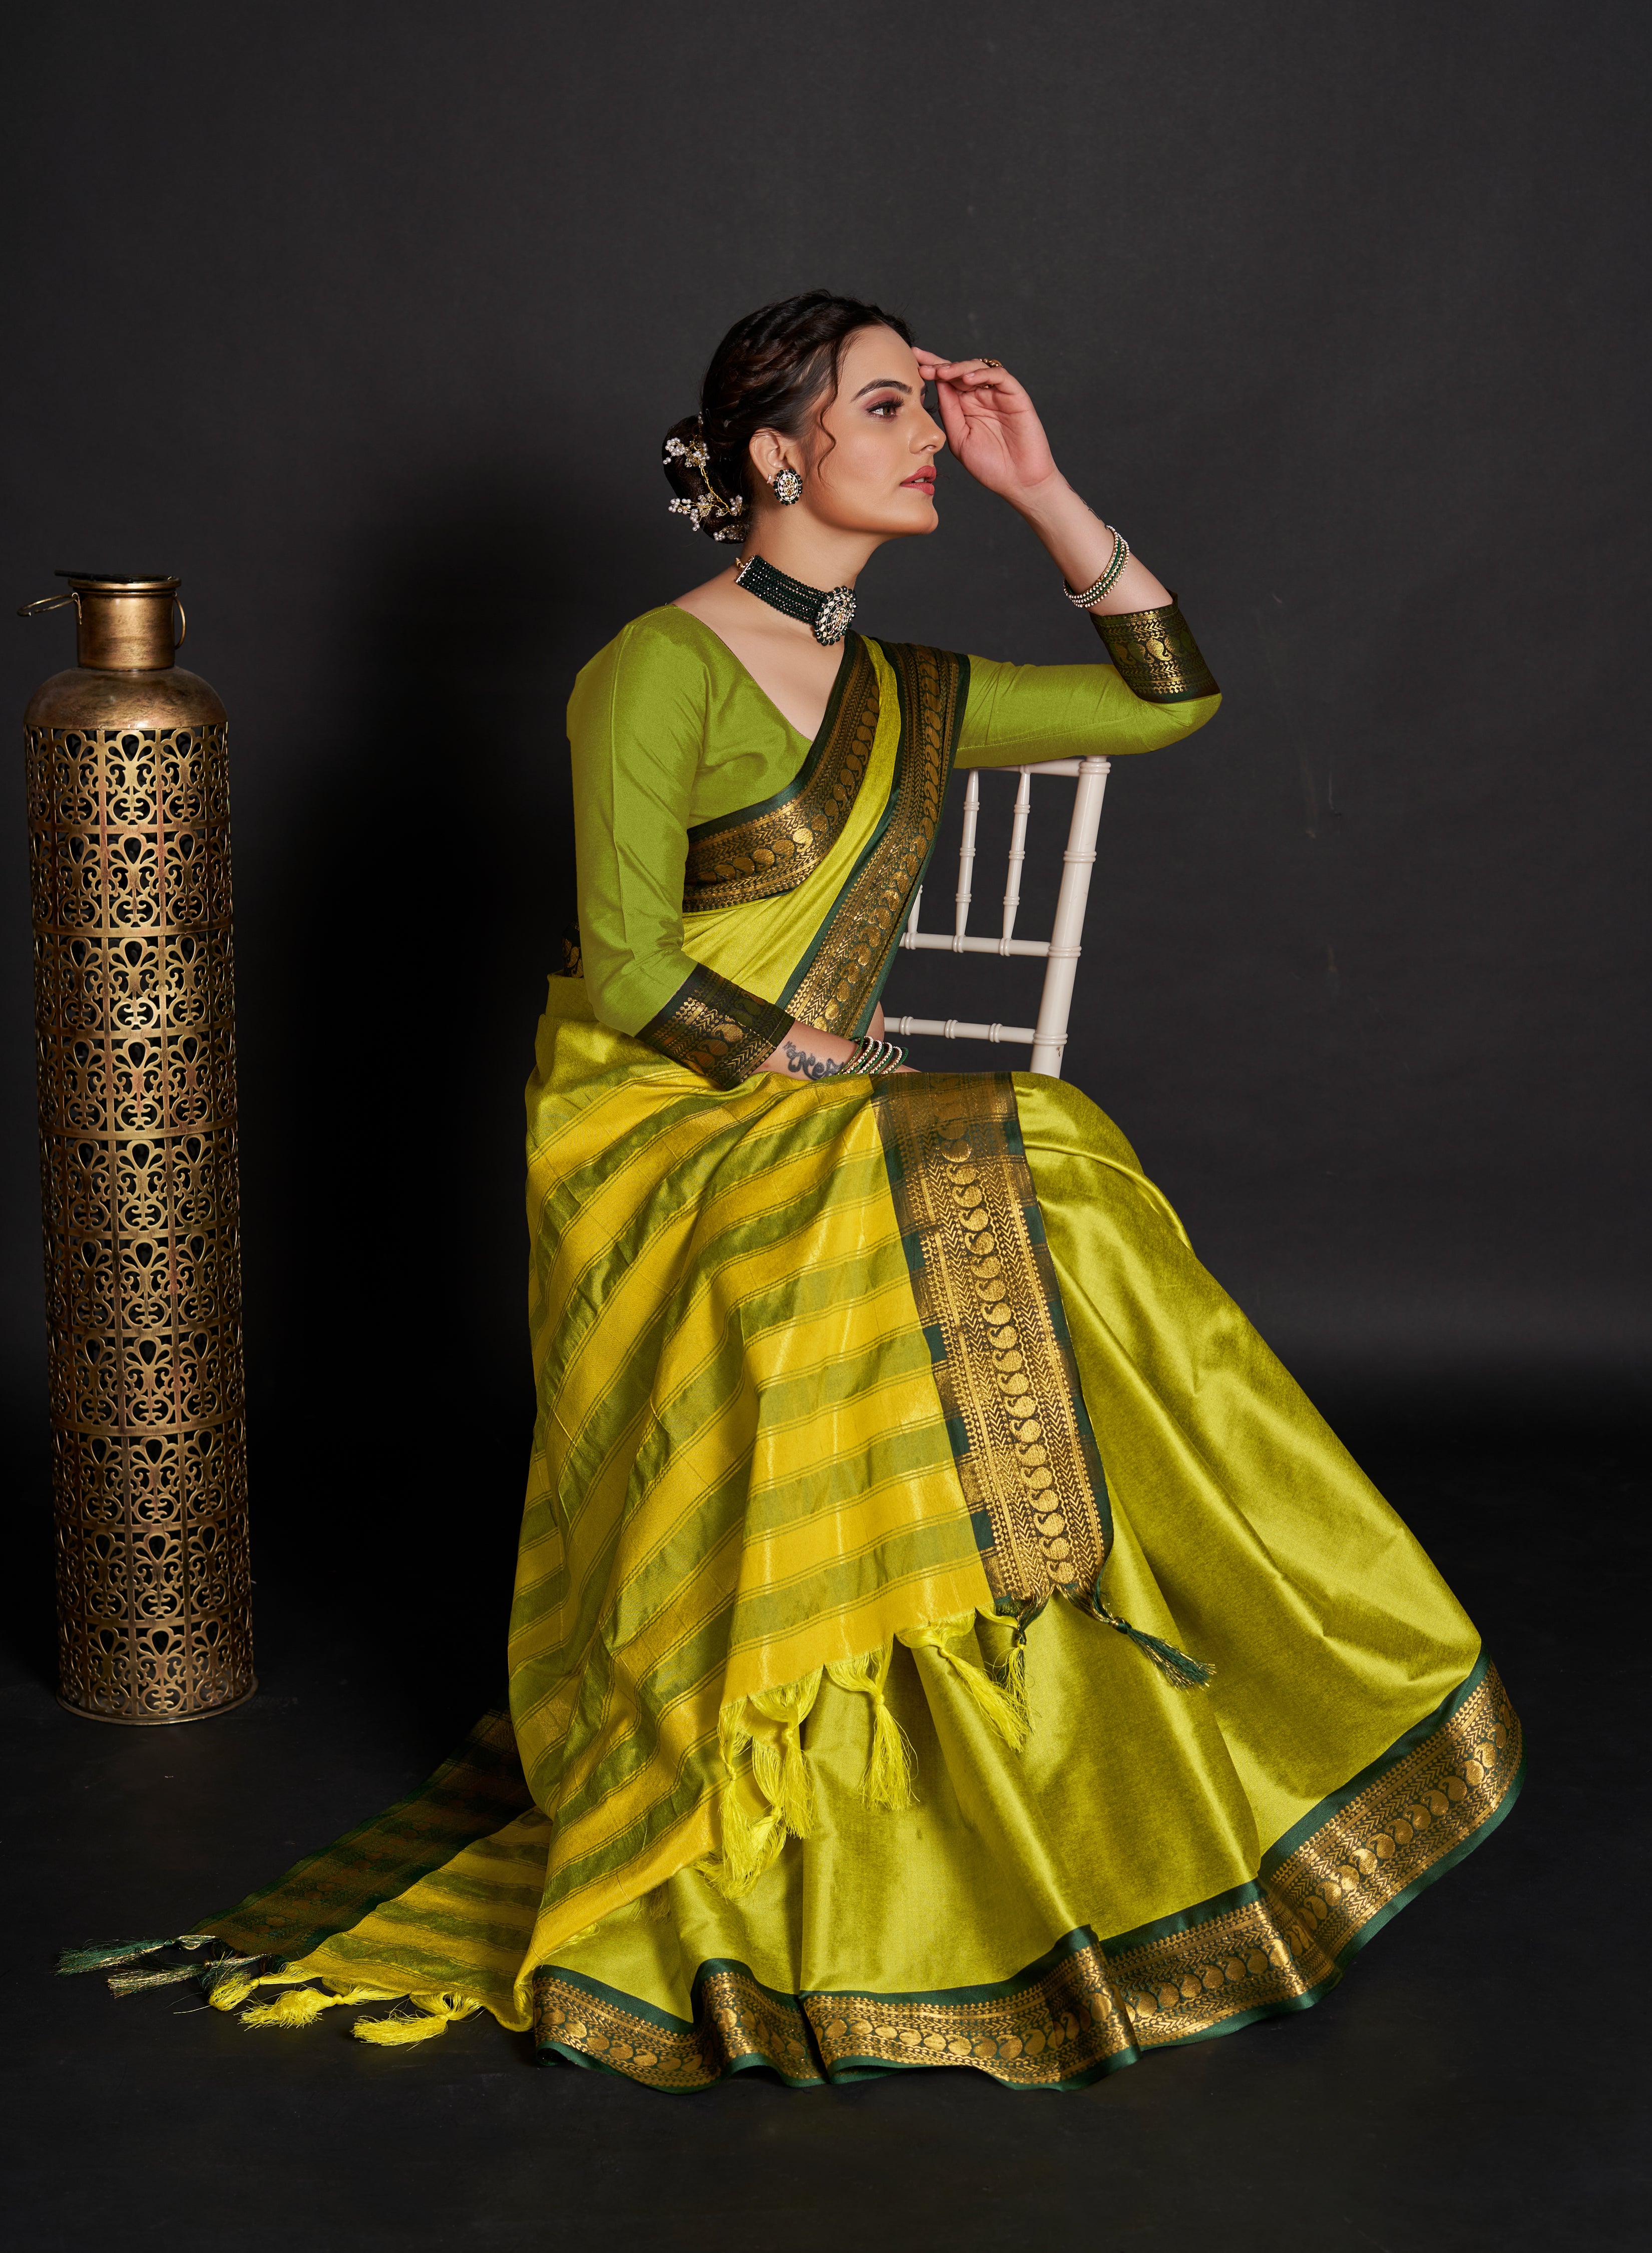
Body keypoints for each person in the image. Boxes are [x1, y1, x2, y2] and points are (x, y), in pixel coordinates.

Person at [64, 292, 1520, 2088]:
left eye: (928, 410)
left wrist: (1041, 487)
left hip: (826, 1115)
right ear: (777, 451)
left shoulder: (912, 691)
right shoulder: (654, 668)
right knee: (1020, 1150)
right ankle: (848, 1747)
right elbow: (626, 968)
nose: (929, 435)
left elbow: (1174, 701)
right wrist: (810, 1060)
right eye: (890, 408)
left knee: (1039, 1158)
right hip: (662, 1129)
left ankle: (1090, 1709)